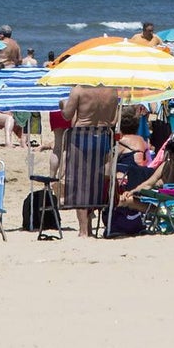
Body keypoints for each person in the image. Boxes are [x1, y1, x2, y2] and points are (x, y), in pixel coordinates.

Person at [61, 84, 121, 237]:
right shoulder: (112, 90)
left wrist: (62, 105)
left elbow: (67, 115)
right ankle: (91, 227)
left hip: (82, 136)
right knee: (98, 183)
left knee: (81, 184)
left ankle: (83, 231)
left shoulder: (79, 89)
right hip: (103, 137)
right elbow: (113, 120)